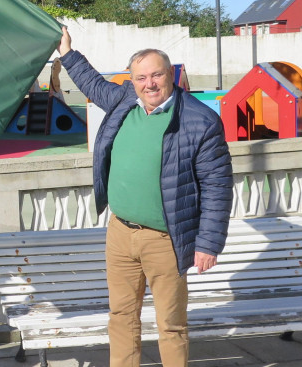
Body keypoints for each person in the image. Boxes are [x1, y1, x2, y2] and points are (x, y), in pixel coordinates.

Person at [57, 26, 233, 367]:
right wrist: (66, 51)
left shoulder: (201, 121)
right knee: (121, 316)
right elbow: (91, 83)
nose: (149, 84)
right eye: (141, 77)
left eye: (156, 75)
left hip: (166, 240)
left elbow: (217, 186)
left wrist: (208, 244)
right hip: (120, 233)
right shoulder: (125, 102)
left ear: (171, 75)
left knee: (171, 325)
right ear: (133, 81)